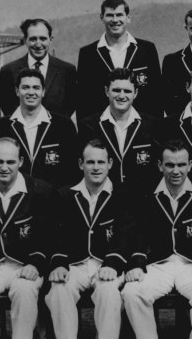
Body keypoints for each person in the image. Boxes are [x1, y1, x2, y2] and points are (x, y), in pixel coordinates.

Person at [122, 139, 192, 339]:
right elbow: (139, 233)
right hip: (158, 264)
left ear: (190, 165)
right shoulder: (146, 193)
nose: (176, 171)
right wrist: (137, 263)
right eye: (170, 165)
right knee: (132, 292)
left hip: (191, 264)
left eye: (181, 165)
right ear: (160, 165)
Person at [45, 139, 132, 339]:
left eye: (101, 162)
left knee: (109, 292)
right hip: (75, 264)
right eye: (90, 162)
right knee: (58, 290)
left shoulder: (122, 193)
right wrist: (59, 262)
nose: (95, 167)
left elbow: (126, 232)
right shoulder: (65, 195)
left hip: (107, 263)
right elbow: (56, 234)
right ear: (80, 164)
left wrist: (113, 262)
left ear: (110, 164)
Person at [0, 137, 53, 339]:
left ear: (20, 161)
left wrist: (36, 263)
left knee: (25, 290)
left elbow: (48, 236)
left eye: (10, 162)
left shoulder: (40, 191)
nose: (4, 168)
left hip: (25, 265)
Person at [0, 68, 77, 188]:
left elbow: (72, 169)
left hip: (52, 200)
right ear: (17, 91)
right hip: (16, 199)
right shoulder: (0, 127)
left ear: (43, 91)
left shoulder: (63, 125)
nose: (31, 92)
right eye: (25, 87)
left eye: (36, 87)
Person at [77, 0, 162, 119]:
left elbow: (156, 94)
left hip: (142, 128)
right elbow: (83, 100)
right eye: (110, 15)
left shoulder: (147, 49)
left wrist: (156, 130)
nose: (115, 20)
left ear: (128, 18)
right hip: (101, 129)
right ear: (102, 18)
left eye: (119, 15)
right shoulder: (88, 53)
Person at [78, 68, 159, 191]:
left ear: (135, 93)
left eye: (127, 91)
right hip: (104, 198)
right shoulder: (89, 125)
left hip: (143, 197)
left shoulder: (152, 125)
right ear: (107, 91)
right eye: (116, 90)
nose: (121, 96)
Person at [0, 18, 77, 117]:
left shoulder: (67, 71)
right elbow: (6, 105)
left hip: (55, 130)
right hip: (22, 130)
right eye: (33, 39)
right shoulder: (8, 71)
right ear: (25, 40)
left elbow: (70, 104)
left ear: (50, 40)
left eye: (43, 39)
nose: (38, 44)